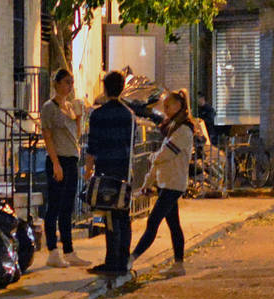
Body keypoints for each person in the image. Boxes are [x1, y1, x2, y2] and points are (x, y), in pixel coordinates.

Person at [131, 88, 203, 278]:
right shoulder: (174, 128)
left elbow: (163, 156)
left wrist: (152, 157)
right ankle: (178, 264)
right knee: (173, 224)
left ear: (179, 106)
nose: (165, 110)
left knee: (153, 221)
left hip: (173, 183)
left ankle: (131, 258)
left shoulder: (184, 130)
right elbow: (159, 161)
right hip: (168, 182)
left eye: (168, 106)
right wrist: (148, 182)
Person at [83, 70, 139, 276]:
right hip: (123, 168)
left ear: (105, 89)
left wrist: (88, 170)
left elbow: (93, 145)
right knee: (124, 214)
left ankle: (111, 259)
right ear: (122, 88)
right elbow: (133, 144)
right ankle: (123, 259)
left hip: (105, 168)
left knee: (108, 214)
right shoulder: (129, 115)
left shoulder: (97, 114)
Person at [38, 70, 89, 268]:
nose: (70, 86)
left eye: (71, 82)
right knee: (55, 206)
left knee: (67, 206)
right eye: (67, 82)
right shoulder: (49, 107)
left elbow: (76, 134)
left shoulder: (69, 106)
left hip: (71, 157)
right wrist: (55, 163)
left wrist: (78, 119)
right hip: (57, 158)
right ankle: (52, 250)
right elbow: (47, 135)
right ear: (57, 83)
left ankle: (69, 250)